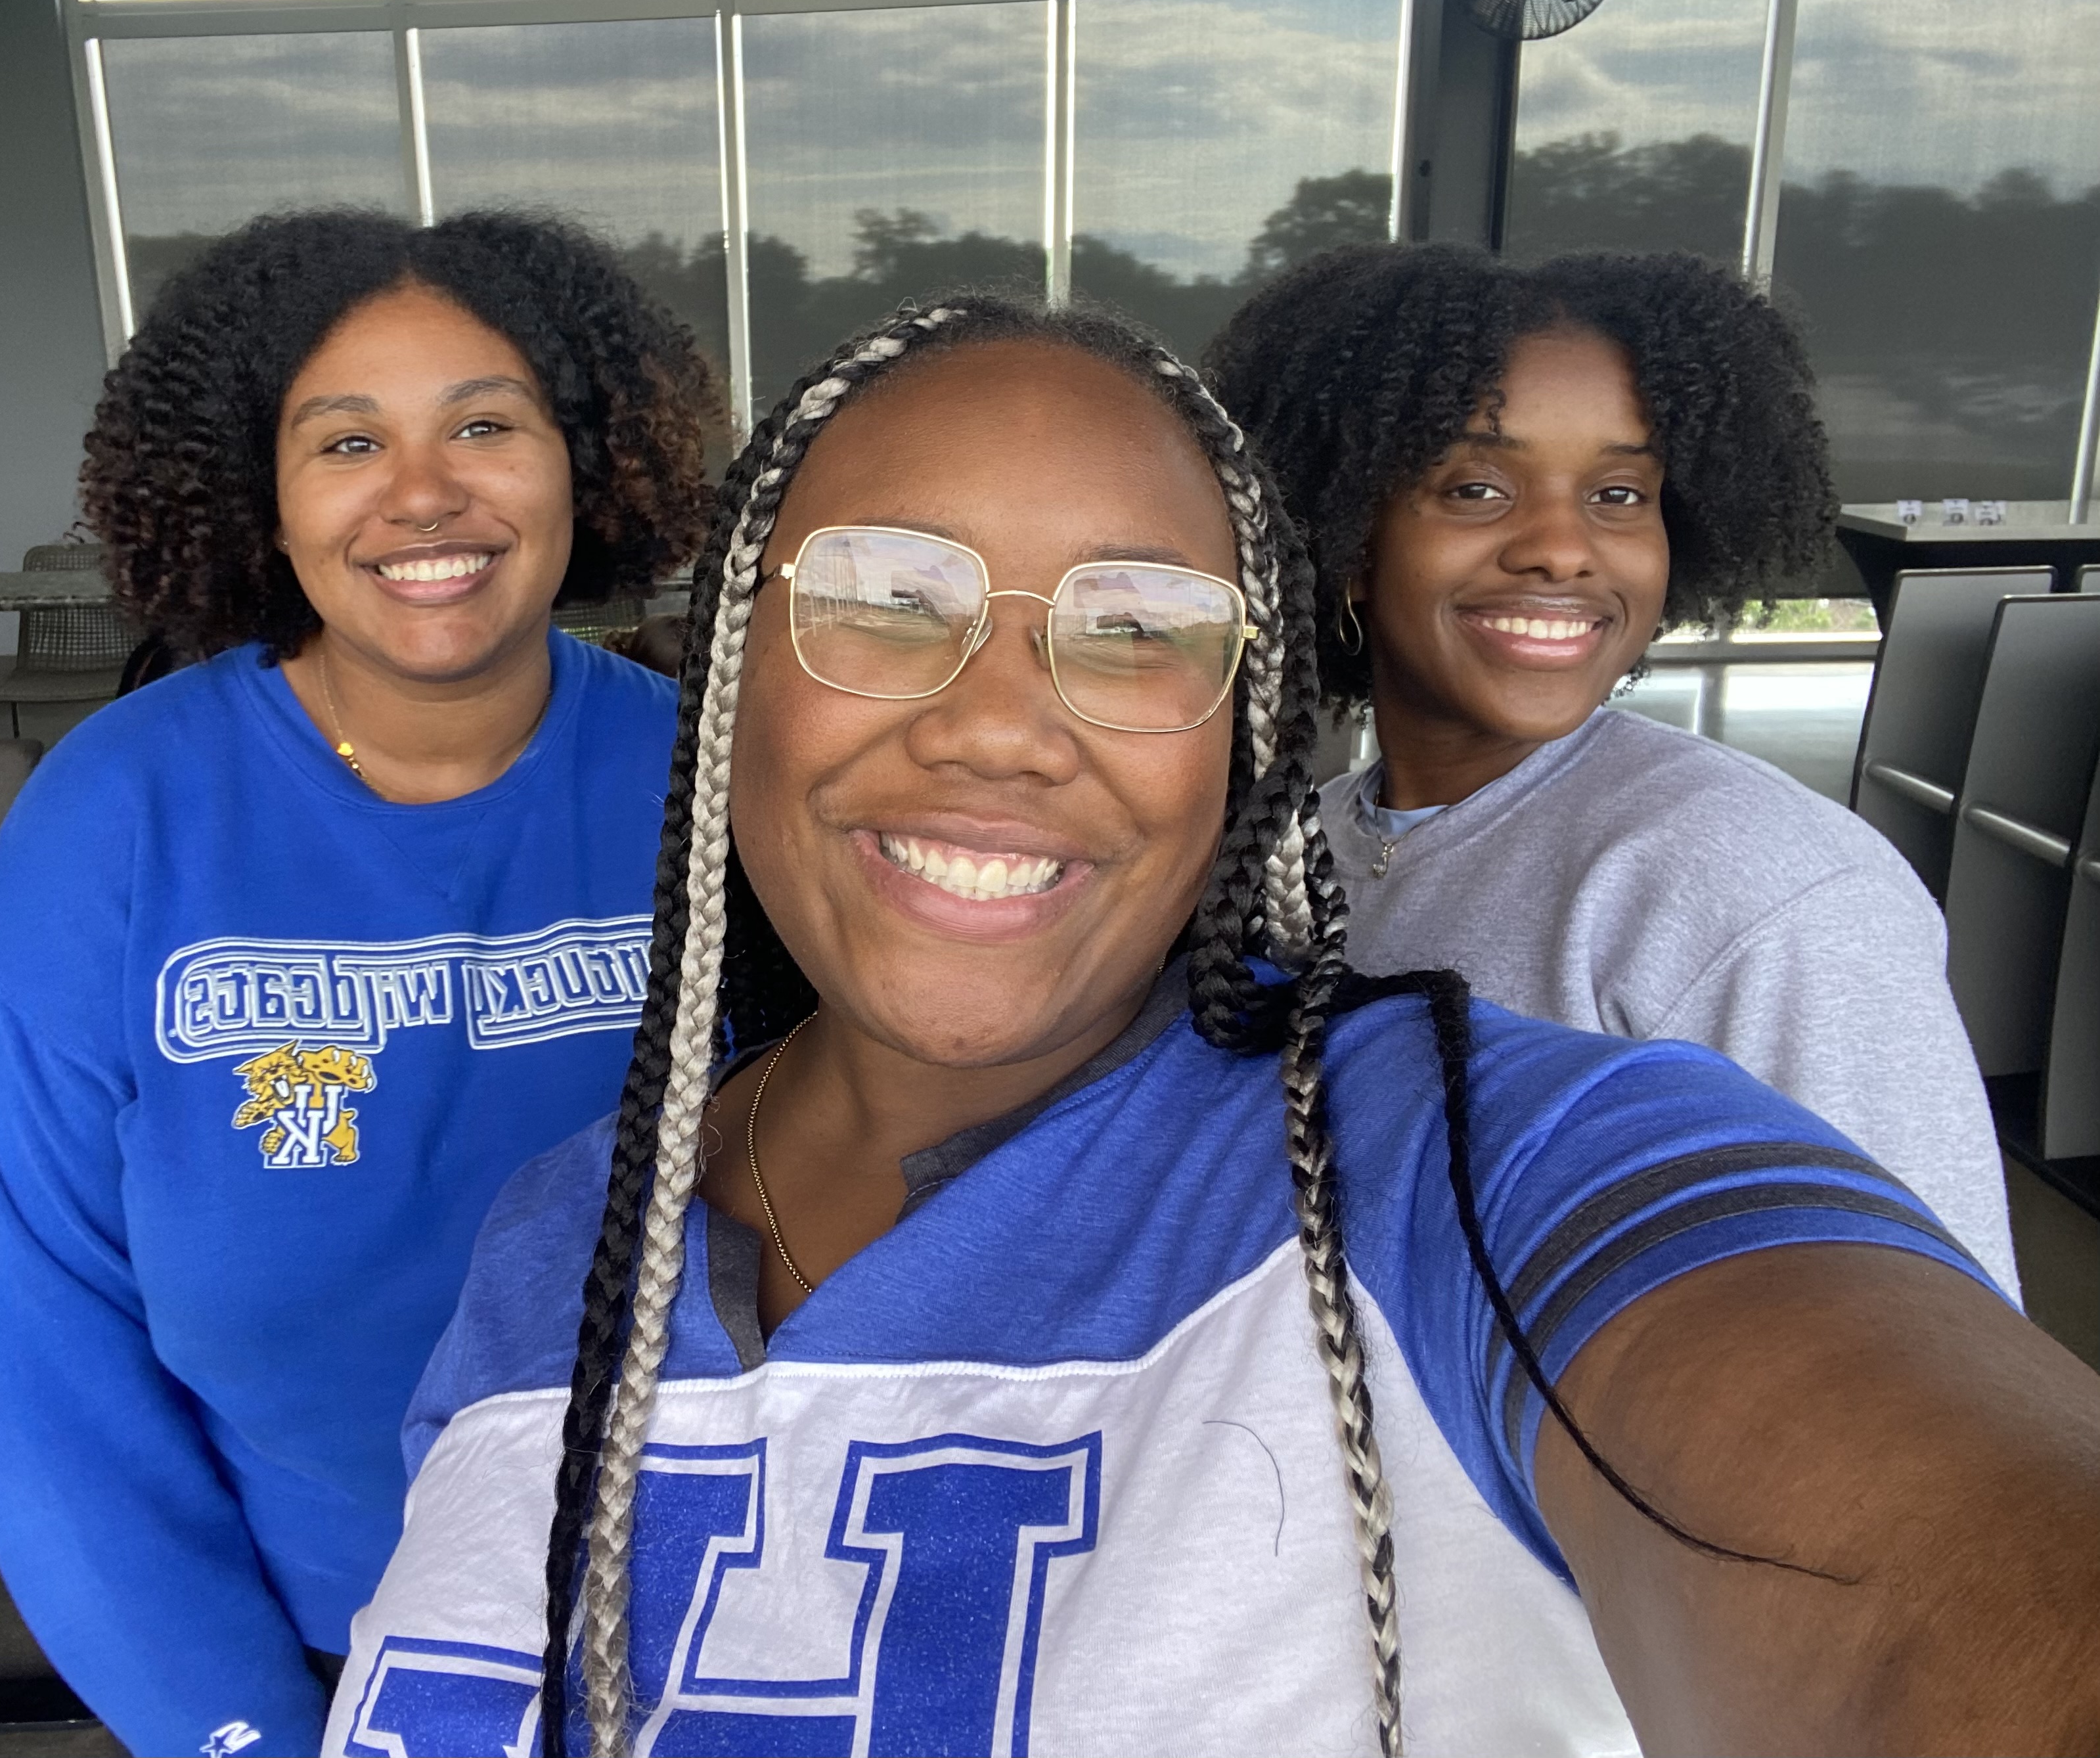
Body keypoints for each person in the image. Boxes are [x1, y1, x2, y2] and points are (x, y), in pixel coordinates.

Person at [329, 294, 2099, 1758]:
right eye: (882, 594)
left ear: (1241, 724)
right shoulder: (560, 1236)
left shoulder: (1470, 1165)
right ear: (728, 664)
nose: (1003, 722)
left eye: (1139, 625)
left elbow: (1944, 1558)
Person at [0, 210, 717, 1758]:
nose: (425, 491)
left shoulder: (711, 782)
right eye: (346, 439)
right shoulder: (116, 819)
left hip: (701, 1634)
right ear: (257, 495)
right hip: (302, 1661)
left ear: (587, 460)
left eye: (486, 423)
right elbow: (32, 1350)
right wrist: (240, 1730)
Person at [1211, 242, 2019, 1292]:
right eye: (1476, 486)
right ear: (1347, 534)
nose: (1561, 546)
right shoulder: (1303, 846)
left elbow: (1945, 1358)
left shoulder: (1766, 890)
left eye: (1622, 494)